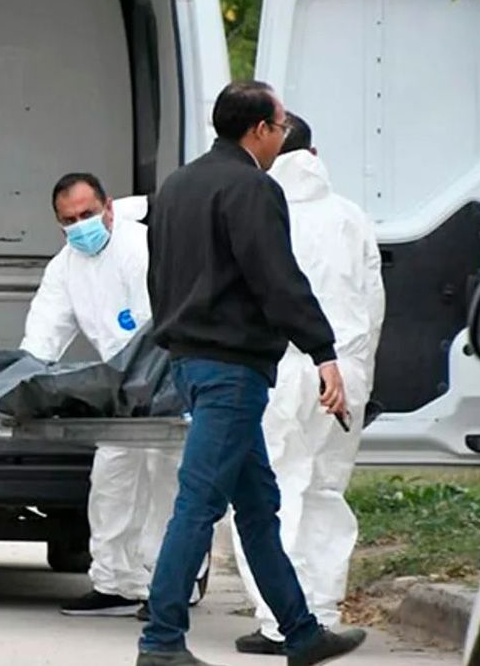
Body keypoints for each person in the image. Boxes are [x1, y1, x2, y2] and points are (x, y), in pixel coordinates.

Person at [137, 81, 365, 666]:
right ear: (259, 130)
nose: (283, 138)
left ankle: (302, 632)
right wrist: (323, 350)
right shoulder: (253, 188)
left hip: (190, 362)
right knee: (199, 503)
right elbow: (277, 278)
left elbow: (156, 278)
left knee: (258, 504)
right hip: (232, 370)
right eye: (281, 127)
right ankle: (160, 642)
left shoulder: (176, 187)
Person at [231, 113, 386, 655]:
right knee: (325, 489)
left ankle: (279, 620)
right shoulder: (350, 216)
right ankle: (320, 609)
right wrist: (358, 369)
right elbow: (373, 303)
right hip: (343, 368)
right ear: (314, 154)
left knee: (268, 491)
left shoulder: (255, 209)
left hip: (277, 368)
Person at [21, 173, 203, 619]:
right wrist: (25, 377)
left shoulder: (141, 248)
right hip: (122, 392)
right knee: (112, 481)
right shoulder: (65, 266)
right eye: (69, 220)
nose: (80, 225)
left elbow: (156, 323)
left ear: (108, 208)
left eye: (87, 214)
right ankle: (115, 583)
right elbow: (47, 327)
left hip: (168, 383)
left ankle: (170, 584)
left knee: (167, 481)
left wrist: (147, 380)